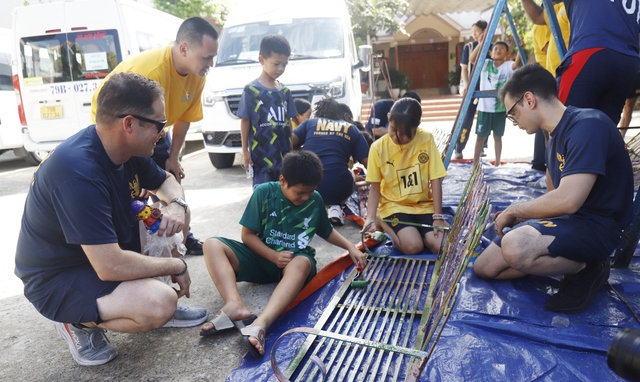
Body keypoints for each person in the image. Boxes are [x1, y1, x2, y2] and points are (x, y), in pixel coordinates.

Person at [15, 72, 199, 366]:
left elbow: (165, 180)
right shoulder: (78, 171)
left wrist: (177, 205)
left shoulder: (125, 148)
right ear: (129, 124)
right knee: (159, 304)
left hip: (98, 255)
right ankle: (75, 321)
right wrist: (176, 264)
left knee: (167, 216)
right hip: (58, 277)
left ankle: (157, 289)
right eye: (159, 124)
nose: (163, 132)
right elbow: (109, 265)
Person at [473, 63, 634, 314]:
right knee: (485, 267)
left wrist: (518, 211)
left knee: (515, 247)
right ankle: (564, 259)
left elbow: (568, 200)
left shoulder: (587, 126)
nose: (513, 121)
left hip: (599, 228)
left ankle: (588, 267)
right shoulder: (552, 137)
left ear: (529, 100)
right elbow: (554, 197)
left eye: (511, 113)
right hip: (571, 222)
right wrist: (525, 223)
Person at [198, 150, 367, 357]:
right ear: (282, 181)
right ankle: (234, 305)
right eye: (299, 193)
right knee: (212, 244)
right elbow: (247, 235)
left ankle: (261, 324)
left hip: (294, 264)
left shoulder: (314, 200)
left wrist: (350, 247)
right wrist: (272, 256)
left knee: (302, 263)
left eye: (310, 192)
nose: (305, 198)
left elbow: (326, 231)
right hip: (263, 257)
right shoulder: (264, 193)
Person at [91, 17, 220, 257]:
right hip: (121, 130)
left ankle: (180, 237)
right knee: (134, 192)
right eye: (206, 57)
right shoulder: (151, 72)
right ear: (184, 49)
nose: (211, 63)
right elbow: (121, 121)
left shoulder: (198, 74)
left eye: (213, 57)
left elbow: (185, 116)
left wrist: (174, 156)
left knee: (171, 181)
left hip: (157, 129)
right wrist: (136, 175)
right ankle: (130, 245)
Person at [524, 0, 640, 125]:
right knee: (604, 130)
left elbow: (543, 11)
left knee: (560, 123)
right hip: (628, 60)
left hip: (591, 52)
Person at [364, 98, 448, 255]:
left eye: (404, 134)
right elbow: (374, 188)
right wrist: (370, 218)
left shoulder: (426, 139)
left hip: (422, 206)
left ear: (416, 127)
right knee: (413, 246)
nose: (396, 137)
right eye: (393, 129)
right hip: (394, 206)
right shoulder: (377, 148)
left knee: (441, 246)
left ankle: (419, 234)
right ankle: (383, 220)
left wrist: (437, 216)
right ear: (389, 117)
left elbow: (435, 179)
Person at [292, 98, 370, 225]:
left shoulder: (310, 123)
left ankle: (306, 209)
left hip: (307, 184)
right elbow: (369, 164)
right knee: (349, 173)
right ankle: (336, 207)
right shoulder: (352, 129)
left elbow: (288, 143)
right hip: (337, 188)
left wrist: (300, 151)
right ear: (343, 115)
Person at [238, 35, 298, 189]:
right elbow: (245, 121)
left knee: (284, 196)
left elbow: (289, 122)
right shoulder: (251, 90)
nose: (280, 69)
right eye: (276, 64)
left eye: (284, 64)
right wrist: (245, 152)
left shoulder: (285, 91)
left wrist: (291, 151)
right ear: (261, 60)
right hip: (261, 159)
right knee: (263, 198)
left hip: (283, 159)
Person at [470, 41, 523, 165]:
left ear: (508, 53)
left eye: (501, 49)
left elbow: (517, 64)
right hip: (484, 108)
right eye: (495, 49)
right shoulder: (486, 64)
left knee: (497, 137)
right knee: (480, 138)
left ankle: (497, 163)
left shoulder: (508, 65)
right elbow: (472, 59)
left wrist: (520, 49)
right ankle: (475, 164)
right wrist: (480, 44)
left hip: (500, 109)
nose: (498, 50)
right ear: (490, 53)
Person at [454, 20, 489, 160]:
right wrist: (467, 85)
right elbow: (464, 68)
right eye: (473, 32)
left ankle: (482, 148)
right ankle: (459, 147)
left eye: (477, 31)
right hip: (472, 88)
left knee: (485, 118)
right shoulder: (469, 47)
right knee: (467, 118)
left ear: (484, 31)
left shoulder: (492, 47)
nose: (474, 34)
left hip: (487, 88)